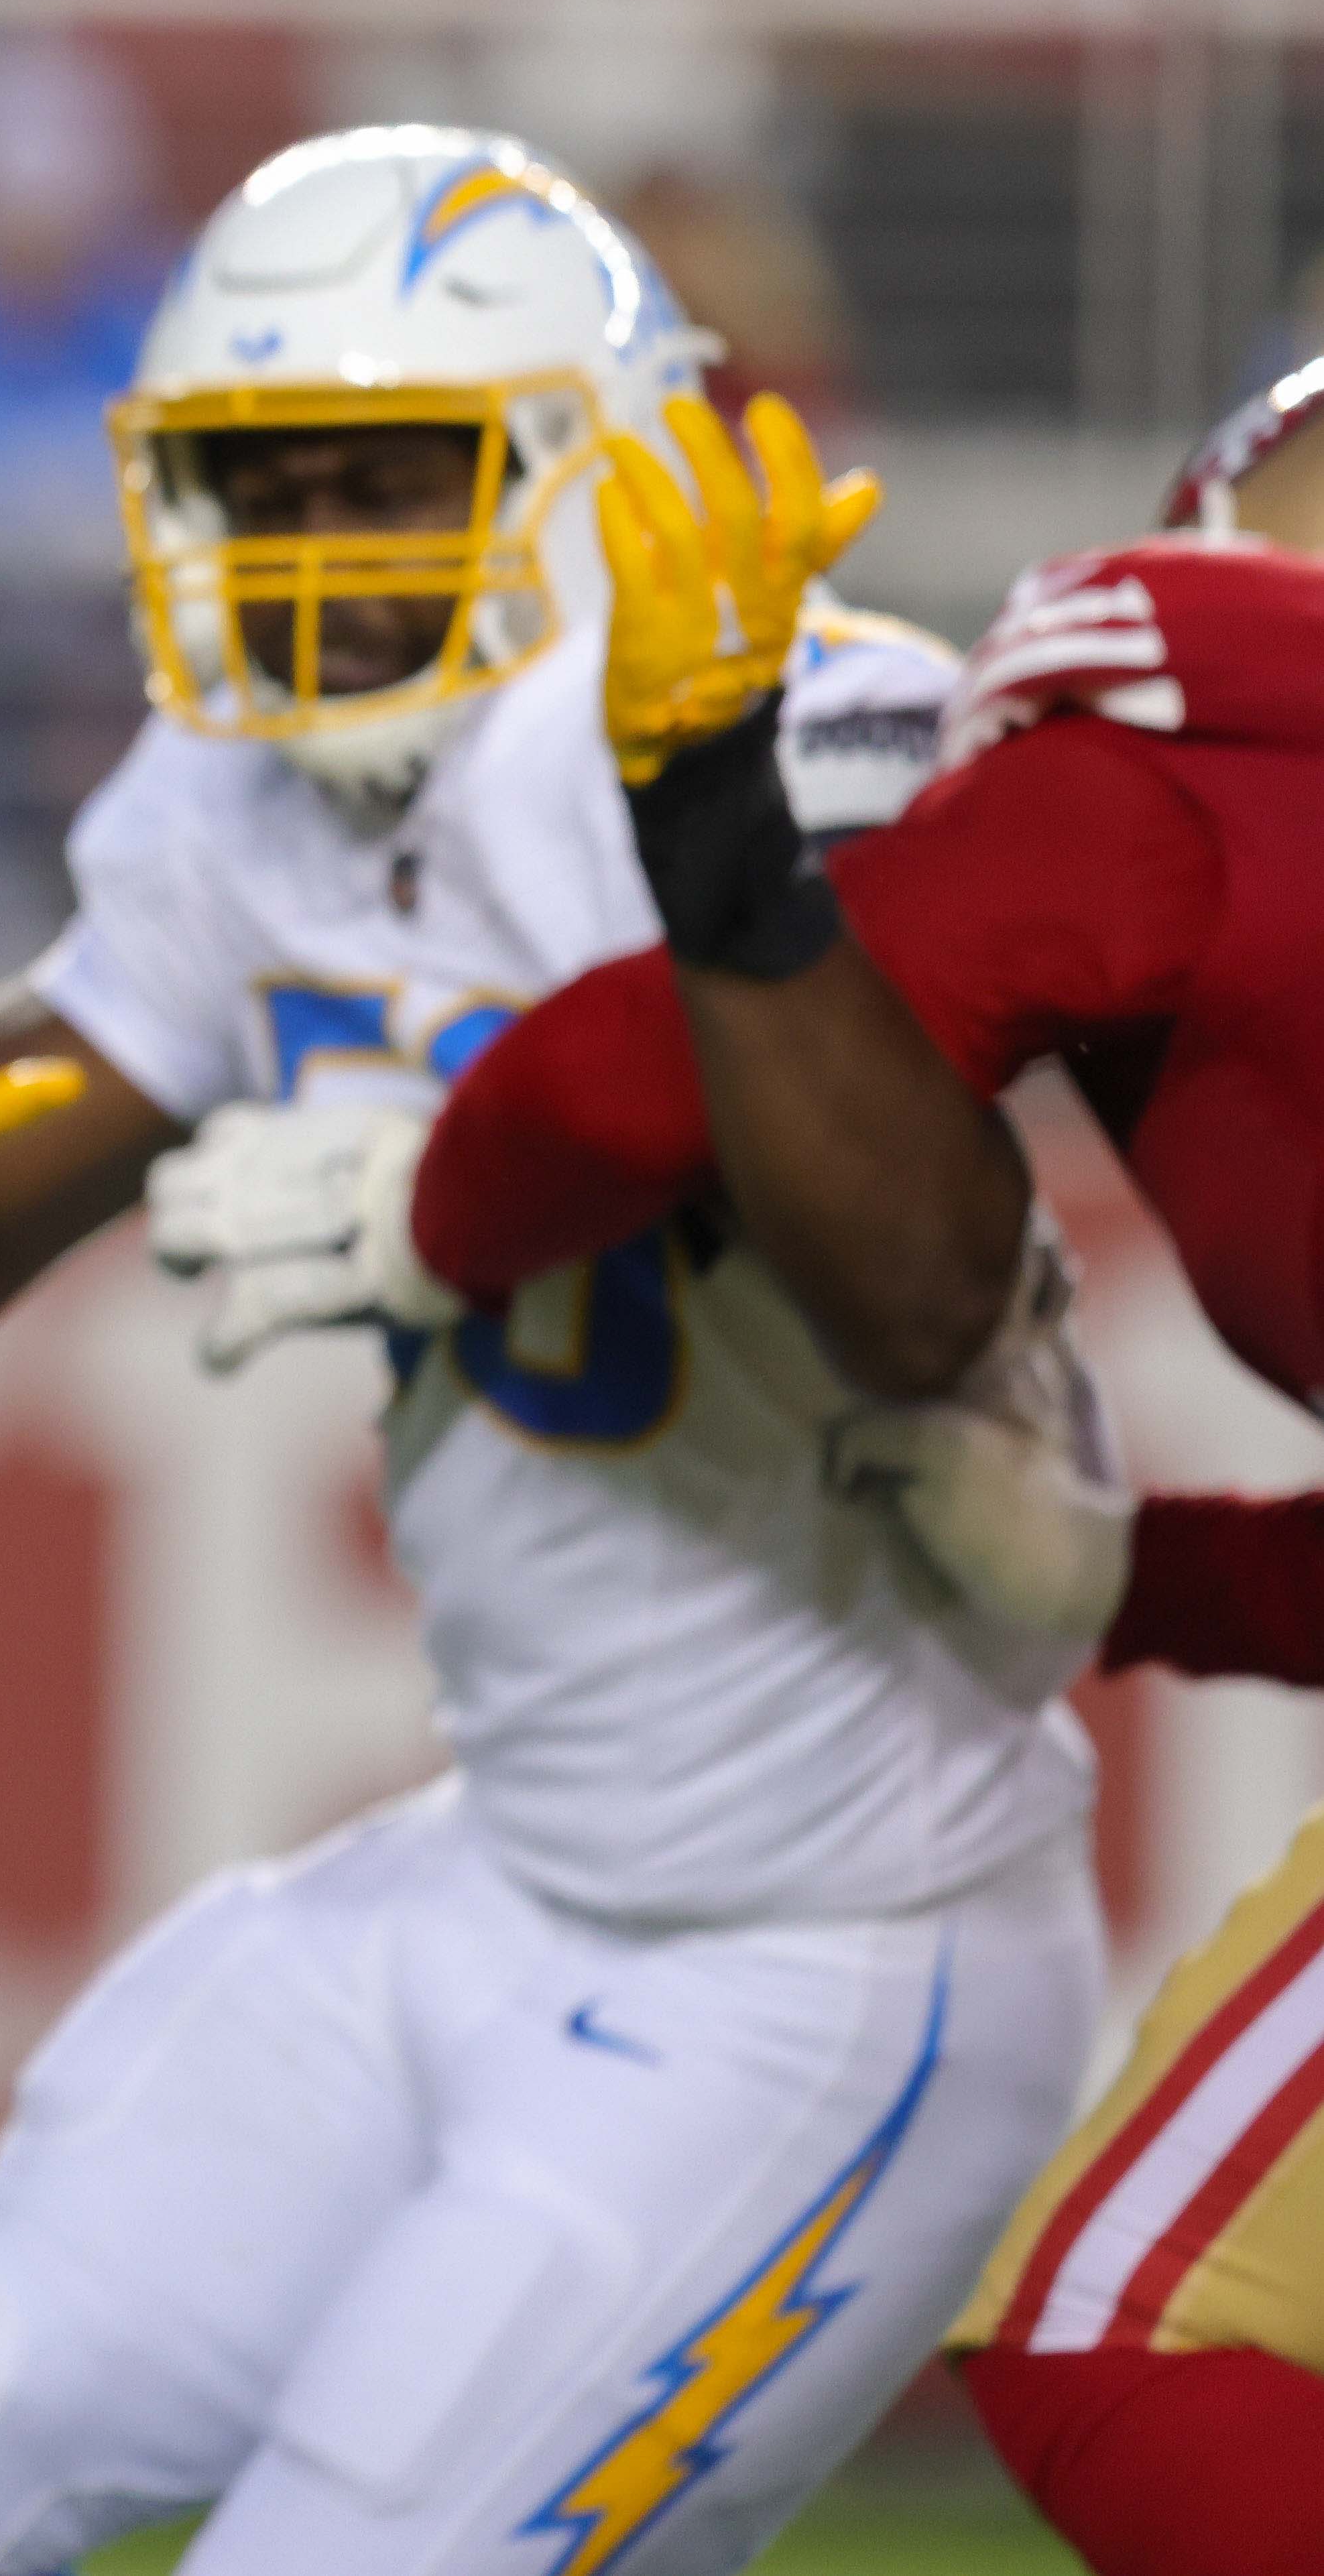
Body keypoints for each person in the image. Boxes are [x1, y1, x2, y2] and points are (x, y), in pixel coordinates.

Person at [0, 126, 1115, 2575]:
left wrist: (701, 839)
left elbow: (919, 1285)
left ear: (586, 469)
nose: (309, 554)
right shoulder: (236, 798)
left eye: (385, 479)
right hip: (509, 1869)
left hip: (834, 1942)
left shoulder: (804, 722)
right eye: (261, 487)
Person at [157, 359, 1324, 2576]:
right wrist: (1133, 1573)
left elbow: (656, 1077)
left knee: (1121, 2323)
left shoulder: (1180, 751)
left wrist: (430, 1200)